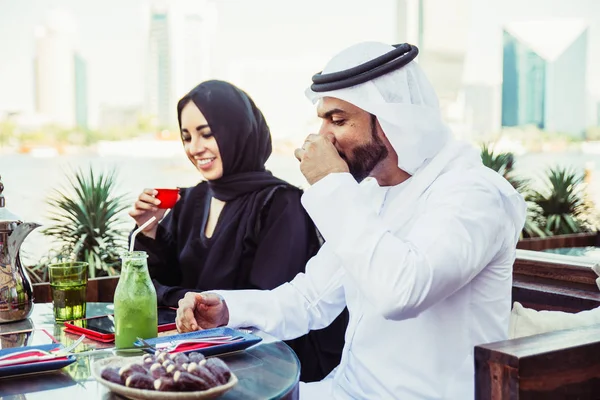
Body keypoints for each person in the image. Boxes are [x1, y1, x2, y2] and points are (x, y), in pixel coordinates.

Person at [175, 43, 527, 400]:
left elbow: (402, 292)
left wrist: (331, 183)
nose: (323, 136)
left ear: (391, 120)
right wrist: (225, 309)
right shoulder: (371, 194)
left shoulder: (475, 194)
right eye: (323, 120)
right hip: (343, 391)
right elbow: (310, 299)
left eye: (338, 120)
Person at [128, 80, 348, 382]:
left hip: (260, 369)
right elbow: (147, 289)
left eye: (207, 134)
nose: (195, 148)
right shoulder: (189, 200)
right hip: (187, 361)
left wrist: (181, 300)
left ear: (238, 131)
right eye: (186, 137)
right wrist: (149, 229)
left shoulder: (282, 205)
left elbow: (267, 304)